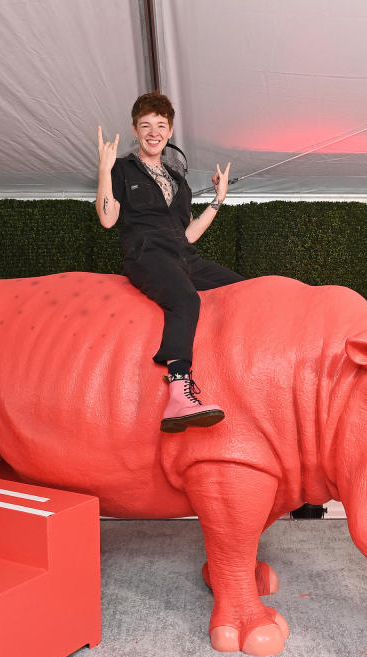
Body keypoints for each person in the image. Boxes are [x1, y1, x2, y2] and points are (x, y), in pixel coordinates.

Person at [96, 92, 244, 433]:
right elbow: (107, 219)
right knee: (185, 299)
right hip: (147, 255)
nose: (153, 132)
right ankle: (179, 393)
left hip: (183, 255)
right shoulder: (121, 169)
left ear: (169, 130)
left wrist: (218, 201)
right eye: (145, 125)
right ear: (135, 129)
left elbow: (189, 234)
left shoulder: (178, 181)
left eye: (160, 125)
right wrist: (105, 172)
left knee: (245, 288)